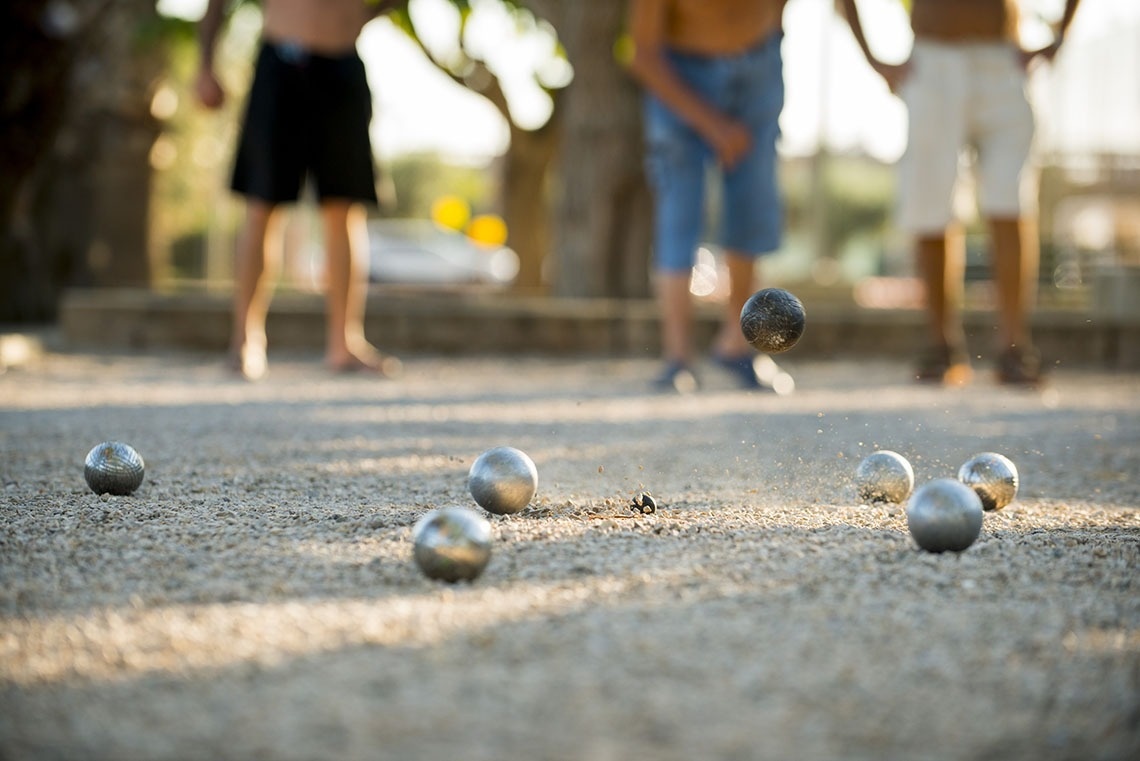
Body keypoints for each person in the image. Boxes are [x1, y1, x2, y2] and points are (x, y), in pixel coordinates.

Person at [840, 0, 1081, 386]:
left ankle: (1014, 348)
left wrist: (1059, 37)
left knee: (1011, 203)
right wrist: (872, 58)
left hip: (1003, 60)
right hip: (933, 60)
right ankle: (941, 346)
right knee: (931, 206)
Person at [195, 0, 404, 380]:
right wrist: (206, 66)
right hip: (281, 63)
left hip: (342, 65)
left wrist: (362, 16)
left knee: (344, 208)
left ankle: (344, 343)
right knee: (262, 205)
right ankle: (245, 340)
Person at [626, 0, 795, 393]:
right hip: (678, 72)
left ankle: (738, 344)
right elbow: (643, 54)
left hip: (760, 65)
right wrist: (712, 124)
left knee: (752, 206)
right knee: (678, 212)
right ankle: (677, 358)